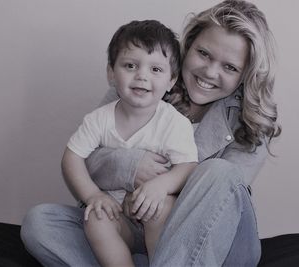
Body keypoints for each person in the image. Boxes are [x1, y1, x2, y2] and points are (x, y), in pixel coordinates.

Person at [21, 0, 281, 266]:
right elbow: (85, 161)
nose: (210, 72)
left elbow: (218, 203)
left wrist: (162, 185)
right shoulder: (142, 80)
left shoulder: (252, 123)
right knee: (40, 223)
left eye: (230, 67)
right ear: (187, 46)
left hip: (215, 244)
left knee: (220, 172)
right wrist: (132, 166)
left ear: (245, 75)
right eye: (203, 53)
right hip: (133, 229)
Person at [61, 20, 198, 266]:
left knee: (162, 205)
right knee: (96, 218)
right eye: (130, 65)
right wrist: (93, 195)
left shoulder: (174, 123)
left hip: (158, 216)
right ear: (111, 73)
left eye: (156, 69)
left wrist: (161, 185)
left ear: (171, 80)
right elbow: (72, 157)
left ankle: (161, 262)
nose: (142, 76)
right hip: (120, 219)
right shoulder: (99, 119)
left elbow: (188, 166)